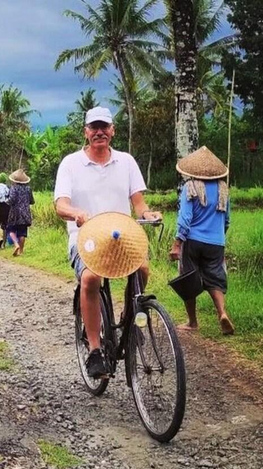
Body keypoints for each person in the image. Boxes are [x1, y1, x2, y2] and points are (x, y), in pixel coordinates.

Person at [53, 106, 161, 379]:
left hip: (121, 236)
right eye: (94, 127)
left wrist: (148, 214)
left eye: (104, 127)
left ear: (112, 130)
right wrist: (75, 212)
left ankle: (129, 317)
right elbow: (60, 204)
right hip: (86, 237)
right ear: (86, 132)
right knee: (91, 279)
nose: (99, 132)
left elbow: (139, 203)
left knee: (143, 270)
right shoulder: (71, 163)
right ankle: (94, 350)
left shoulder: (126, 161)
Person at [169, 146, 234, 335]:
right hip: (216, 242)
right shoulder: (223, 189)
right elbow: (227, 219)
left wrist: (177, 244)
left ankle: (192, 322)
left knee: (188, 279)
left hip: (192, 241)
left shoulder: (190, 187)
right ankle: (222, 313)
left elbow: (185, 218)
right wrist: (218, 236)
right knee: (215, 278)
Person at [6, 169, 34, 257]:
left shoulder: (14, 188)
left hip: (15, 213)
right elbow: (31, 201)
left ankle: (16, 244)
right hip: (25, 213)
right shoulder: (28, 189)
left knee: (10, 229)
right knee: (22, 232)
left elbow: (11, 200)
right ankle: (21, 251)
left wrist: (6, 201)